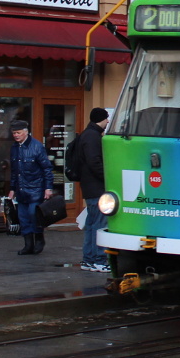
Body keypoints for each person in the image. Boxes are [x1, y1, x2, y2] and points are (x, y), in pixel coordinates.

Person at [8, 119, 53, 255]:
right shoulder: (14, 148)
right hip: (21, 190)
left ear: (26, 132)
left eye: (18, 133)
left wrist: (48, 188)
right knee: (23, 218)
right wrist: (12, 189)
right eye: (14, 133)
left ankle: (39, 240)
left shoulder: (36, 146)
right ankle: (28, 245)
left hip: (35, 188)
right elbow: (14, 171)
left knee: (34, 215)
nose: (16, 135)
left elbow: (46, 168)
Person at [77, 107, 110, 273]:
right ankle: (99, 259)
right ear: (101, 119)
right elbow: (95, 162)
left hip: (89, 187)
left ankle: (88, 259)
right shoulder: (93, 136)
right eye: (106, 118)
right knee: (99, 223)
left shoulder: (87, 134)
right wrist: (108, 178)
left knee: (91, 224)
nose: (108, 122)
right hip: (96, 187)